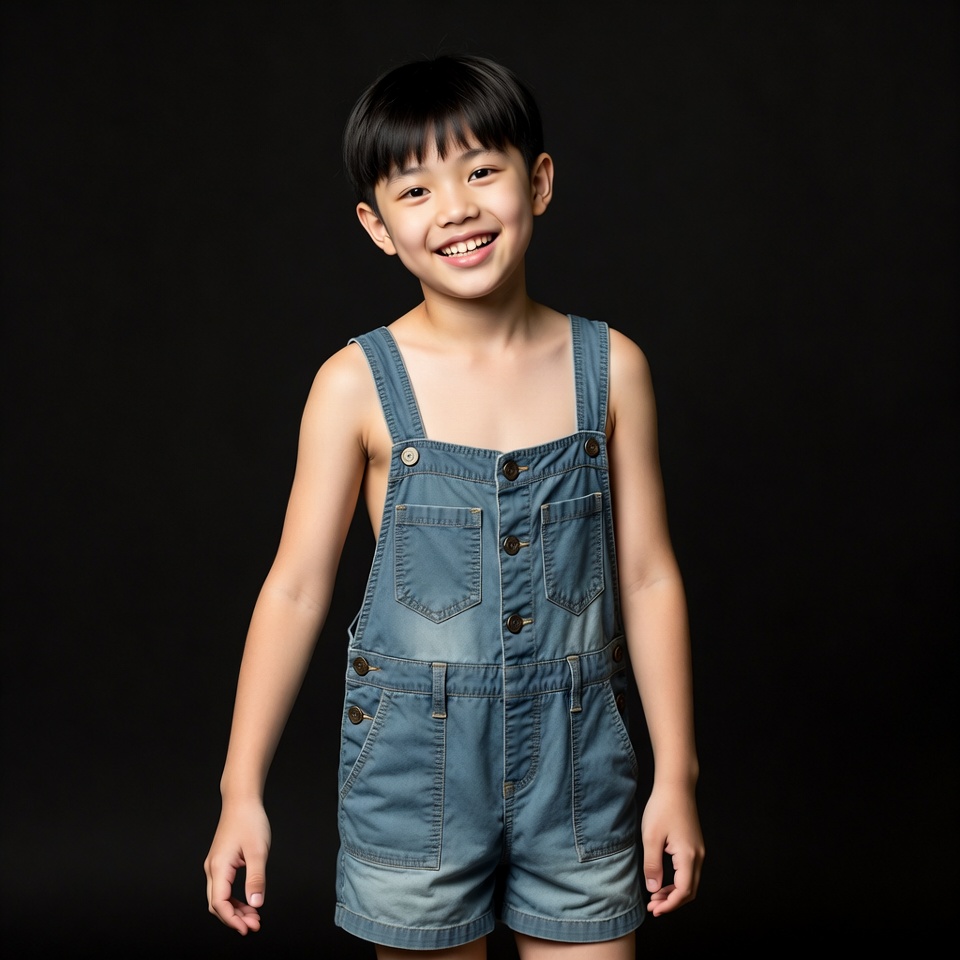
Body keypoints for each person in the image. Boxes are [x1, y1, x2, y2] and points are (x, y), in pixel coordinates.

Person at [204, 54, 704, 959]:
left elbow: (648, 574)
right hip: (414, 773)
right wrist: (243, 788)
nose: (458, 209)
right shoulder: (355, 385)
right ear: (377, 227)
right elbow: (295, 590)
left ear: (538, 182)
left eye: (481, 172)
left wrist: (677, 772)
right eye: (416, 190)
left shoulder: (612, 367)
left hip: (580, 768)